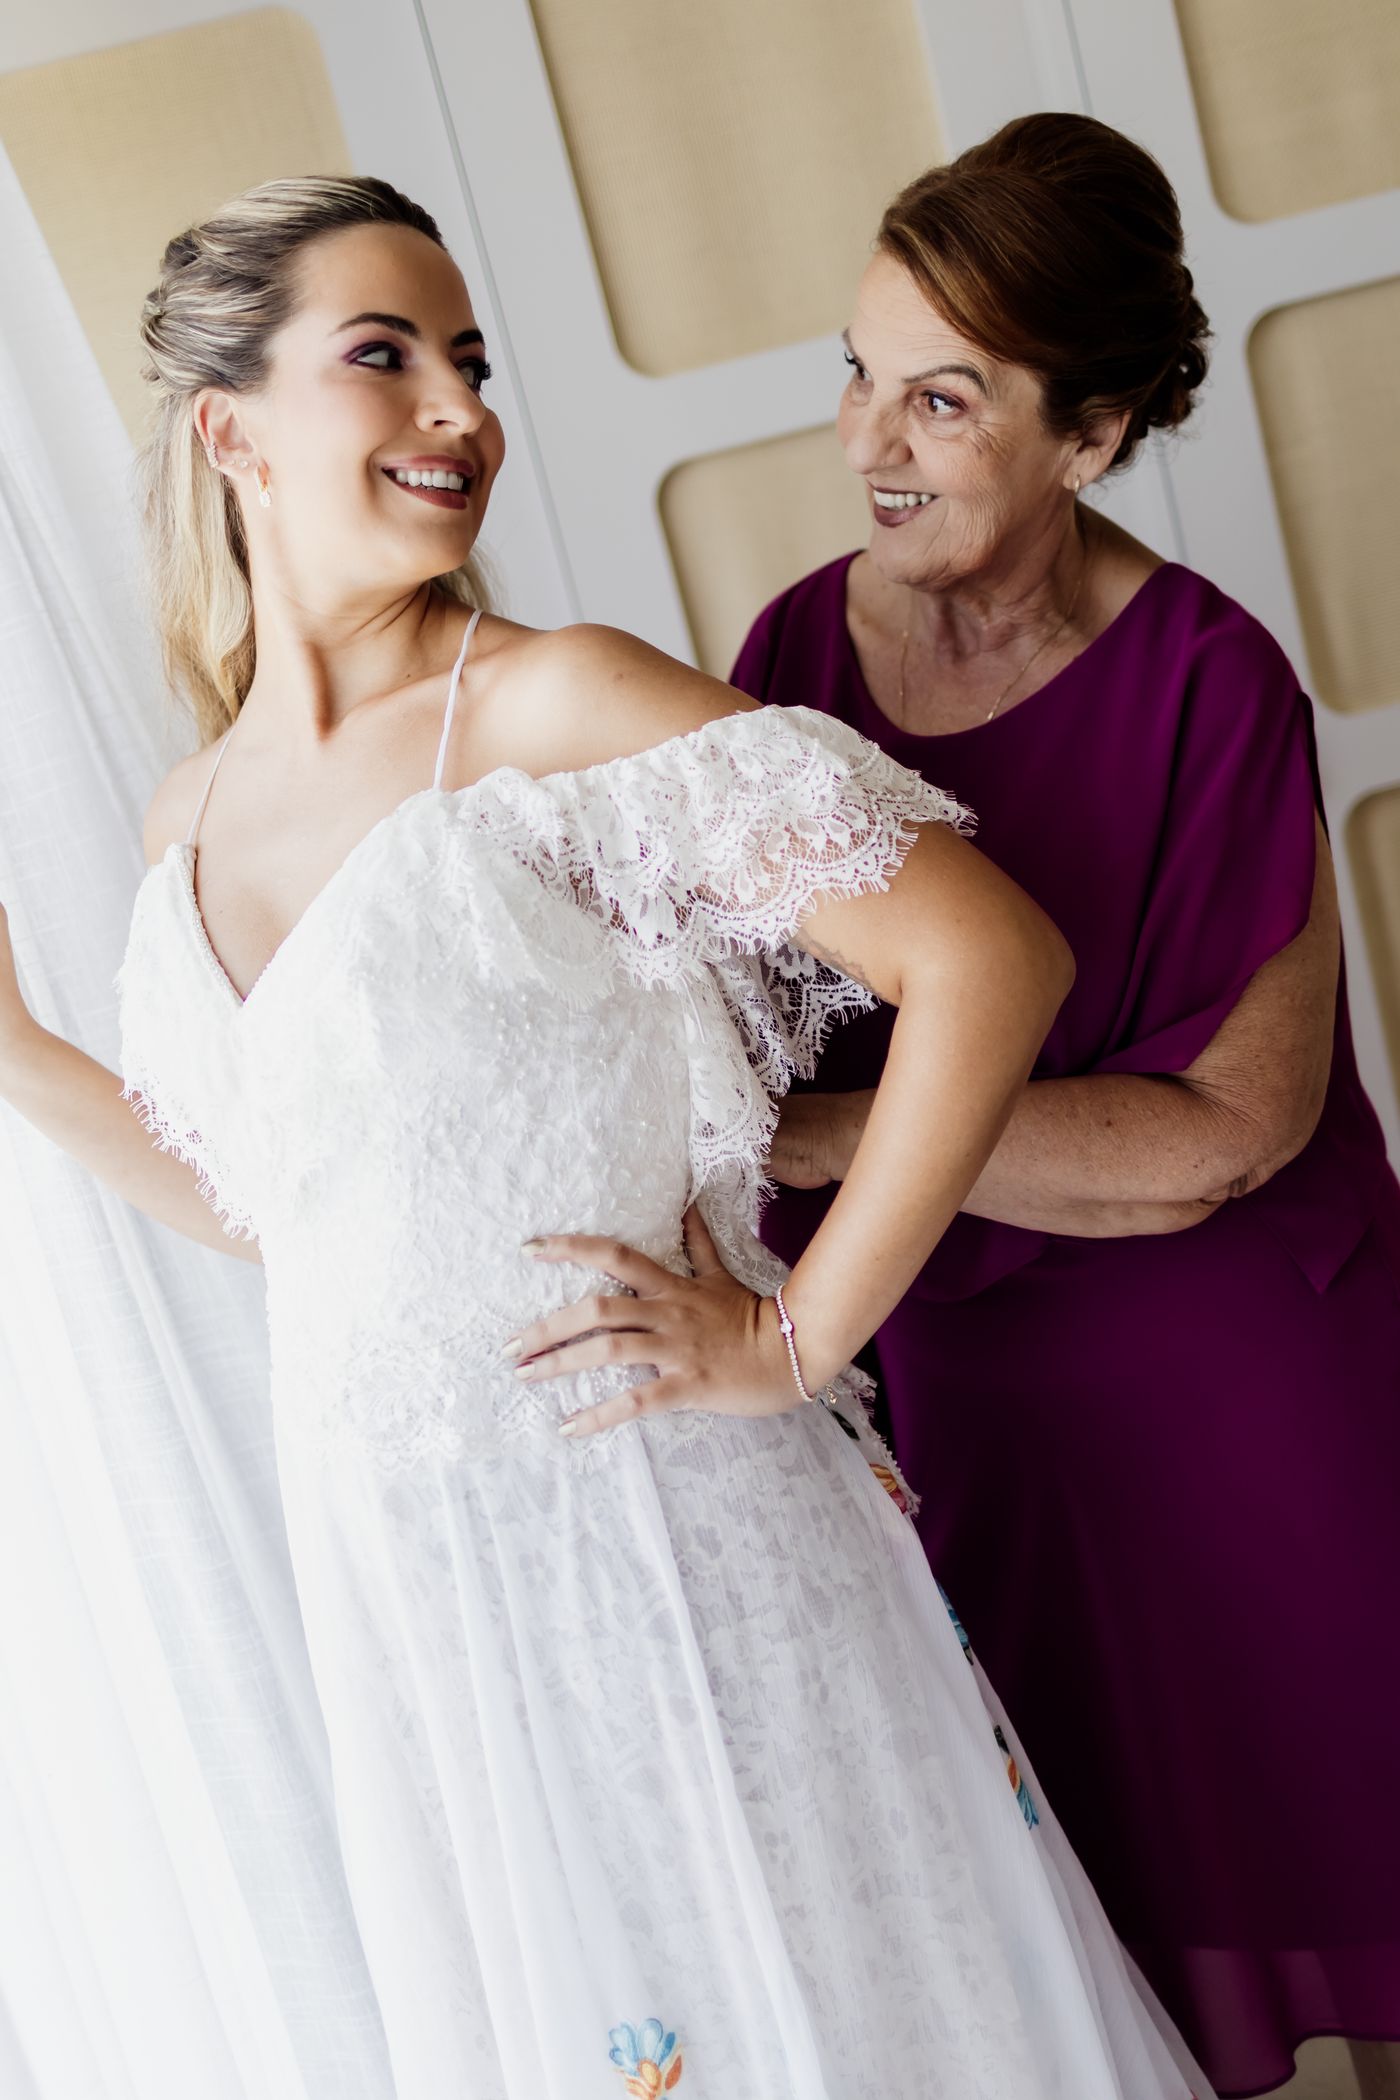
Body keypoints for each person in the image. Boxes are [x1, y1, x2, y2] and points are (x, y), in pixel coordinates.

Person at [0, 173, 1220, 2100]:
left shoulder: (547, 704)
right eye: (385, 355)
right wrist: (17, 1056)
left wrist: (799, 1335)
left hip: (668, 1524)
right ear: (230, 432)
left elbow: (989, 959)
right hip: (420, 1584)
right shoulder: (187, 822)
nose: (459, 410)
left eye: (470, 362)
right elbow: (293, 1215)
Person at [731, 113, 1400, 2100]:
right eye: (858, 373)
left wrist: (843, 1138)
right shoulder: (786, 662)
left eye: (943, 400)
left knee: (1350, 1827)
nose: (872, 442)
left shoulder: (1213, 683)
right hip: (969, 1410)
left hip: (1243, 1390)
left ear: (1091, 435)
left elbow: (1217, 1139)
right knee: (1082, 1958)